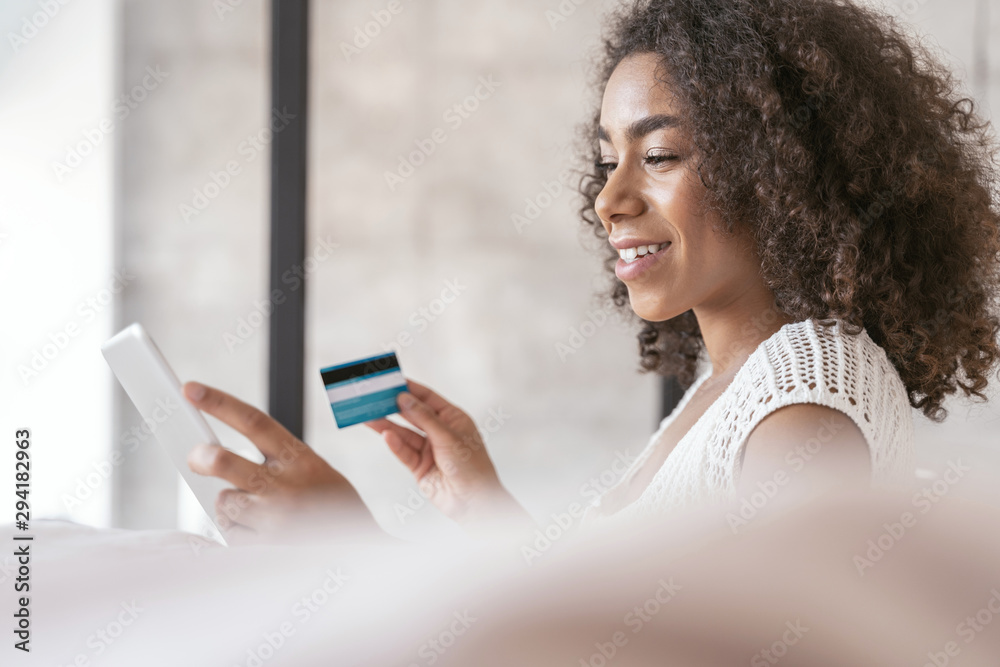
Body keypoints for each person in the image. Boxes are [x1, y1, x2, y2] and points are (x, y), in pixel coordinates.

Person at [181, 0, 1000, 541]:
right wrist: (481, 506)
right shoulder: (738, 389)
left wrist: (351, 554)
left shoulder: (805, 404)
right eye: (609, 158)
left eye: (662, 154)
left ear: (779, 170)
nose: (609, 197)